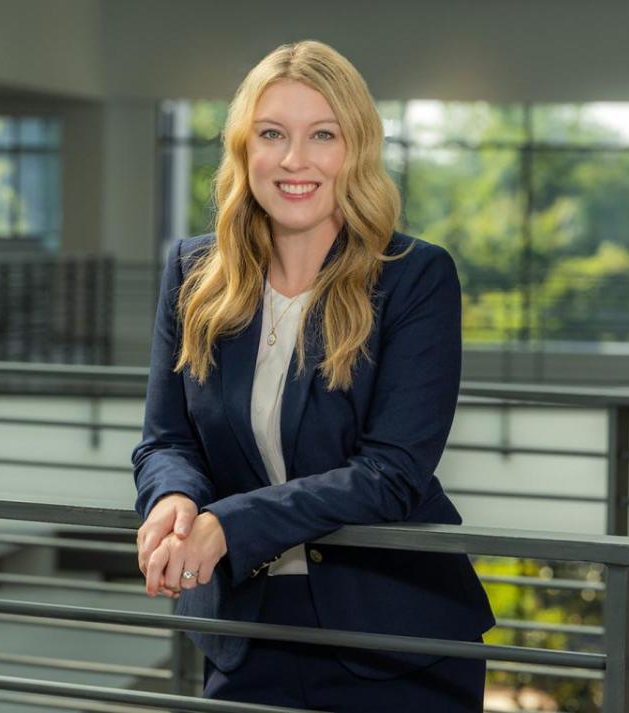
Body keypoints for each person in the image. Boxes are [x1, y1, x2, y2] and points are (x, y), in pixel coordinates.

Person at [131, 39, 495, 711]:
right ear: (245, 149)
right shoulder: (193, 273)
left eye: (321, 134)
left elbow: (391, 472)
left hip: (396, 642)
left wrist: (229, 526)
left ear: (353, 149)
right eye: (273, 134)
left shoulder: (415, 277)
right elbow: (166, 439)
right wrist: (174, 500)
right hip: (247, 632)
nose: (295, 159)